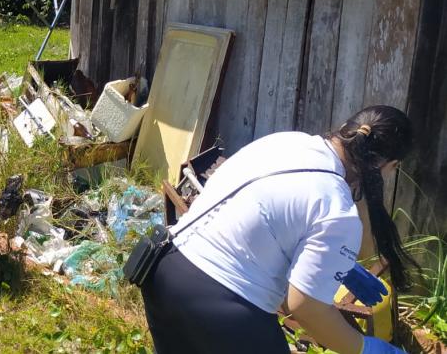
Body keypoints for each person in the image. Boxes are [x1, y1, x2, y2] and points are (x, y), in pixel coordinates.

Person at [142, 105, 415, 354]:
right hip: (222, 302)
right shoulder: (338, 210)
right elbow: (305, 307)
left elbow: (271, 218)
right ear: (388, 166)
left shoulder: (288, 141)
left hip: (165, 269)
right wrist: (365, 348)